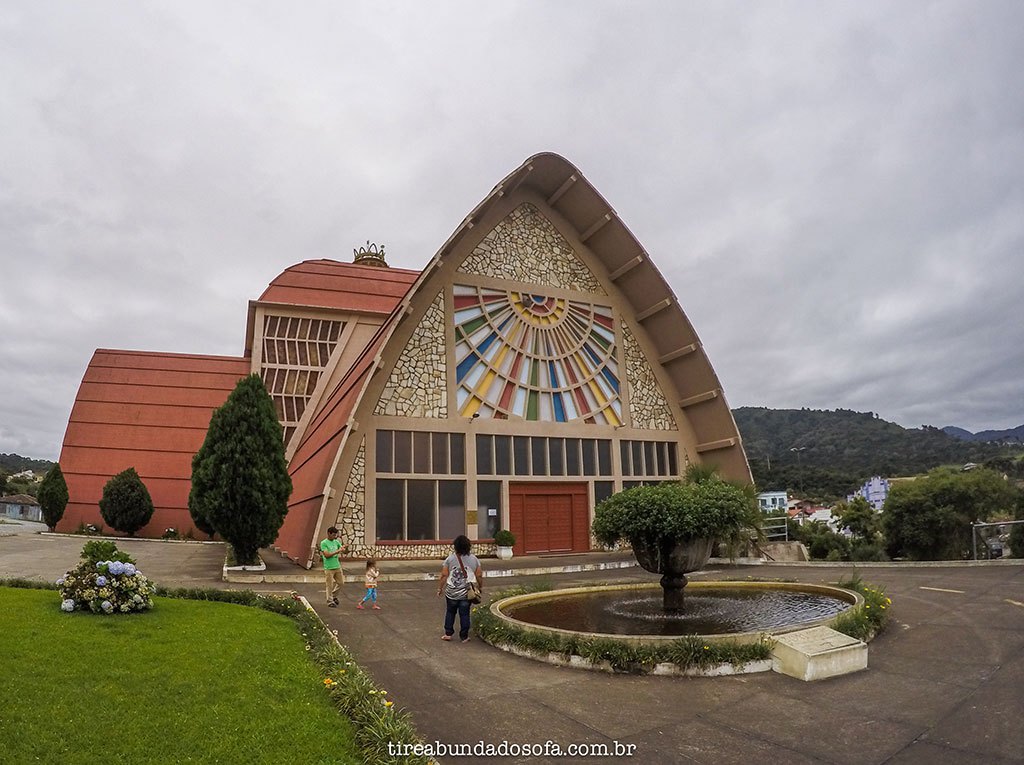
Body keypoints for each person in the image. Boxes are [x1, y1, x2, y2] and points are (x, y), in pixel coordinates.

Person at [436, 534, 483, 643]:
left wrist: (440, 588)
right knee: (465, 614)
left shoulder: (450, 559)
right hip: (466, 593)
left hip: (451, 592)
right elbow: (479, 575)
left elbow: (444, 575)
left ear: (455, 546)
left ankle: (448, 633)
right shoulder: (474, 559)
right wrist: (480, 587)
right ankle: (464, 636)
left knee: (450, 612)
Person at [320, 526, 346, 607]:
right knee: (329, 585)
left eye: (336, 535)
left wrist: (344, 548)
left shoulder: (336, 542)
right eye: (333, 535)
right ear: (329, 533)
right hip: (329, 568)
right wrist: (338, 551)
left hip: (337, 566)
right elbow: (327, 555)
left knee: (341, 583)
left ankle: (334, 596)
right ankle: (330, 601)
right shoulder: (323, 543)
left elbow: (343, 550)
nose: (335, 536)